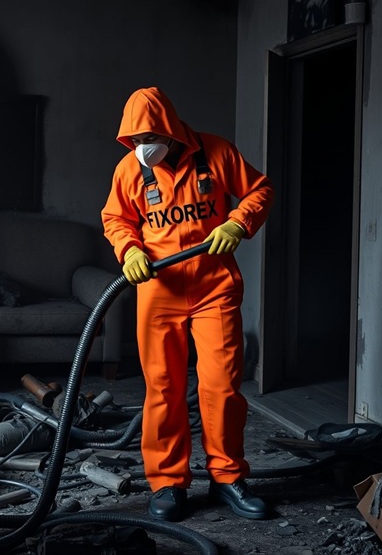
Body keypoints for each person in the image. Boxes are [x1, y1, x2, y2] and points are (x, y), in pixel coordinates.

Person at [101, 86, 274, 522]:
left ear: (170, 130)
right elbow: (115, 218)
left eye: (148, 138)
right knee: (163, 389)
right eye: (135, 141)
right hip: (160, 292)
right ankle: (168, 483)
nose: (142, 148)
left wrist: (238, 223)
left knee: (221, 387)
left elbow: (259, 190)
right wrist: (131, 250)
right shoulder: (129, 170)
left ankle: (228, 478)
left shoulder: (217, 154)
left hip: (214, 286)